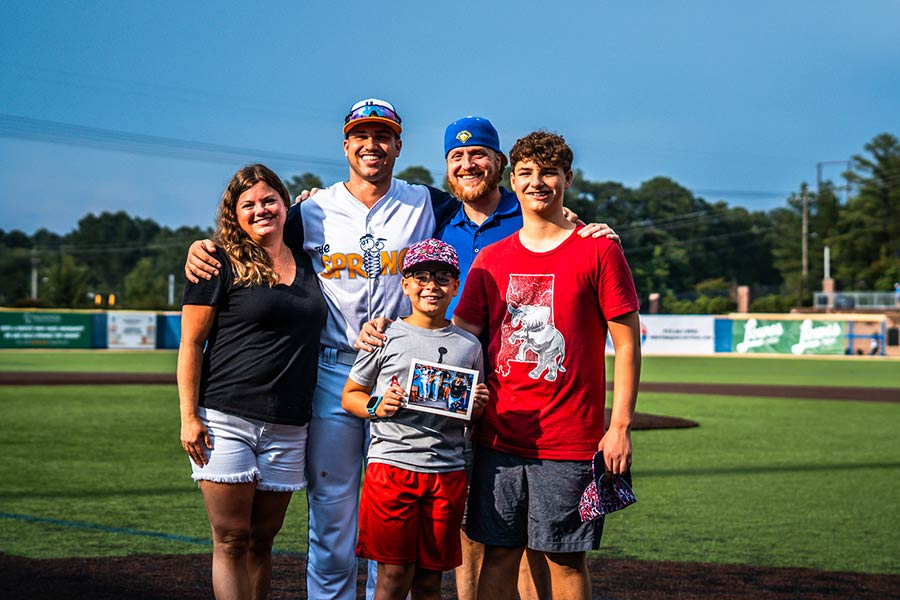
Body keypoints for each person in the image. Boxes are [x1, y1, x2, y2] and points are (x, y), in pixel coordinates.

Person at [452, 131, 642, 600]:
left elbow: (628, 343)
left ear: (568, 180)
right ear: (511, 181)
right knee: (497, 554)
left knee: (564, 558)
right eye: (527, 174)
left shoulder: (598, 250)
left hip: (570, 440)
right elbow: (458, 340)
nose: (538, 183)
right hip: (497, 435)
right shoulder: (491, 260)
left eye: (549, 173)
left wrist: (619, 426)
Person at [177, 164, 327, 600]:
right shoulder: (216, 261)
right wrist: (188, 417)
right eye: (249, 205)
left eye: (269, 200)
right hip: (226, 418)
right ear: (234, 214)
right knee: (231, 540)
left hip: (290, 422)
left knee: (263, 541)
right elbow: (191, 344)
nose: (261, 210)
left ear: (285, 204)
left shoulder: (307, 260)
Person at [341, 238, 490, 600]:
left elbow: (469, 417)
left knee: (429, 581)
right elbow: (350, 396)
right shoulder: (384, 336)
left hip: (446, 472)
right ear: (405, 284)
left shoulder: (469, 345)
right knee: (393, 577)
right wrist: (378, 405)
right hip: (392, 467)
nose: (431, 286)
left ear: (456, 285)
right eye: (420, 276)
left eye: (442, 277)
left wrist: (477, 405)